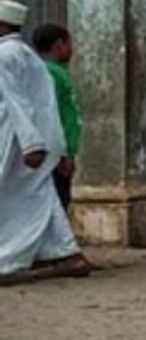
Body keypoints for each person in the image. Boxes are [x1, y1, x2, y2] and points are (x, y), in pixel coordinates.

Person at [0, 0, 89, 281]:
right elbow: (46, 106)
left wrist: (30, 144)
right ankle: (65, 253)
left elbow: (17, 103)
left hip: (18, 143)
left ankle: (11, 258)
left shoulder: (5, 56)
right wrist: (57, 147)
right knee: (40, 195)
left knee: (17, 198)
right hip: (39, 141)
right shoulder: (28, 56)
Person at [30, 24, 80, 211]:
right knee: (59, 201)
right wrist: (63, 153)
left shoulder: (58, 72)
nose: (72, 49)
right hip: (57, 151)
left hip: (62, 149)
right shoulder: (50, 73)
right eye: (69, 44)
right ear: (59, 45)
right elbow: (52, 114)